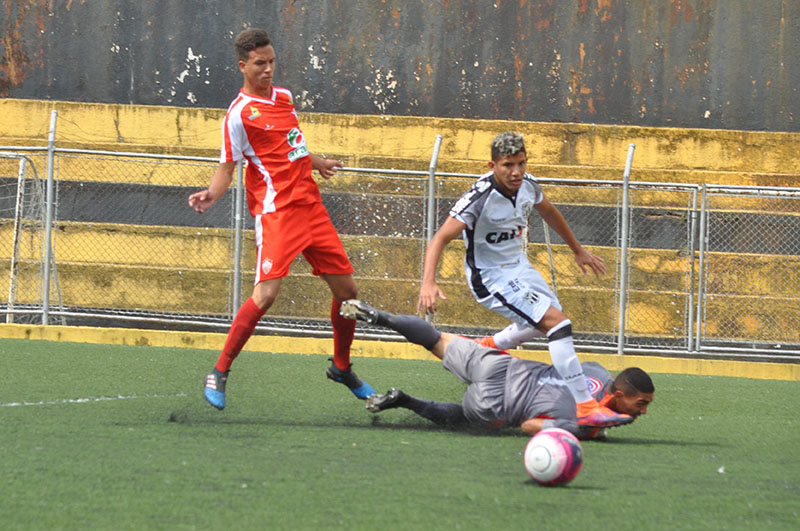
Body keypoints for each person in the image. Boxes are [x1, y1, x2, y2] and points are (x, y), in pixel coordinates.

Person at [188, 27, 374, 410]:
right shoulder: (237, 115)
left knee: (348, 294)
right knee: (266, 294)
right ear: (243, 65)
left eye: (272, 61)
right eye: (260, 64)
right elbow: (227, 167)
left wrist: (317, 161)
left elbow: (293, 146)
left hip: (312, 209)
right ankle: (219, 370)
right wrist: (211, 193)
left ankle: (341, 367)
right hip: (277, 214)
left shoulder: (285, 98)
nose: (268, 69)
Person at [417, 131, 630, 427]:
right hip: (491, 277)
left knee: (550, 325)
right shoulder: (478, 198)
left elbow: (551, 212)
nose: (516, 172)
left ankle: (489, 344)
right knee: (558, 324)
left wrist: (578, 250)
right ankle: (584, 407)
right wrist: (428, 283)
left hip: (519, 268)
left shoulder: (528, 186)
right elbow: (440, 238)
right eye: (508, 165)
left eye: (521, 163)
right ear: (492, 165)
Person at [339, 299, 653, 437]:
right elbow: (531, 427)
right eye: (640, 404)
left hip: (499, 366)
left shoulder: (597, 370)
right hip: (496, 404)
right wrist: (586, 431)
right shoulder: (585, 422)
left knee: (434, 338)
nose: (643, 411)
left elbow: (593, 378)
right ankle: (408, 401)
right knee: (464, 419)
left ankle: (381, 318)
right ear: (622, 395)